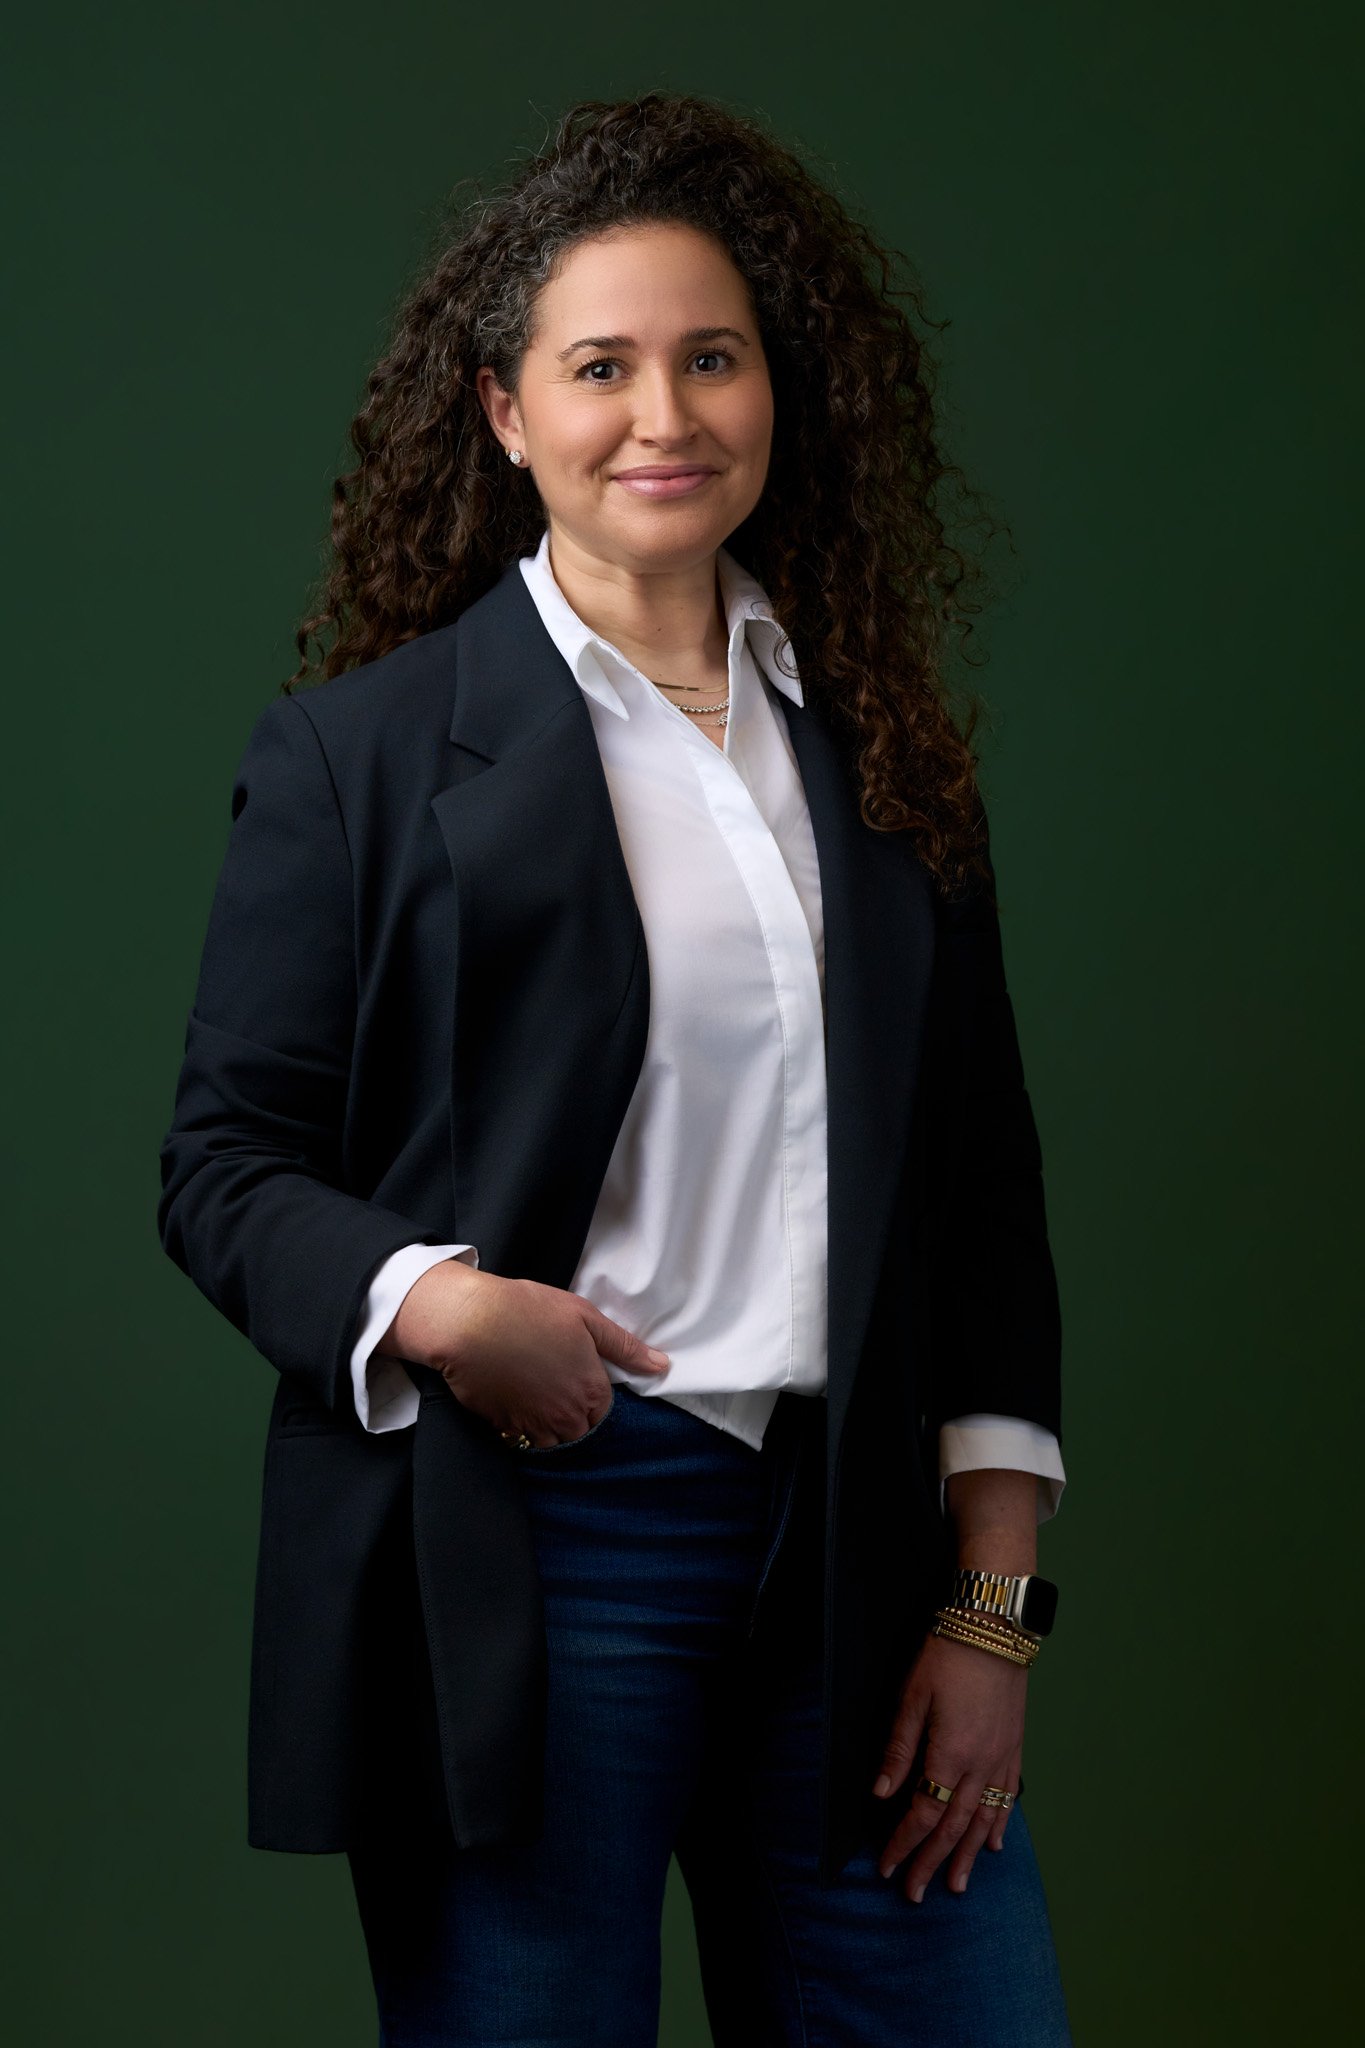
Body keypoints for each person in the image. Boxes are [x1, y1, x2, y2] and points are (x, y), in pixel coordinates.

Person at [157, 89, 1072, 2046]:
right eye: (600, 365)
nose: (662, 412)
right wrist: (443, 1304)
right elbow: (224, 1163)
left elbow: (983, 1197)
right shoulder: (360, 758)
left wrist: (986, 1613)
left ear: (774, 396)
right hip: (531, 1546)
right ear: (505, 413)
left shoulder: (887, 756)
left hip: (855, 1558)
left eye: (710, 357)